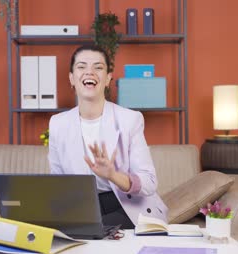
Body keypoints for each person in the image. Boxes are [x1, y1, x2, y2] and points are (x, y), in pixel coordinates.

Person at [48, 45, 168, 229]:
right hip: (80, 210)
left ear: (108, 79)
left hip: (124, 208)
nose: (90, 72)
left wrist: (113, 175)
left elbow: (149, 182)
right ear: (71, 78)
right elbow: (57, 183)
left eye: (98, 67)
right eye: (81, 66)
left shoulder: (130, 119)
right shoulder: (57, 123)